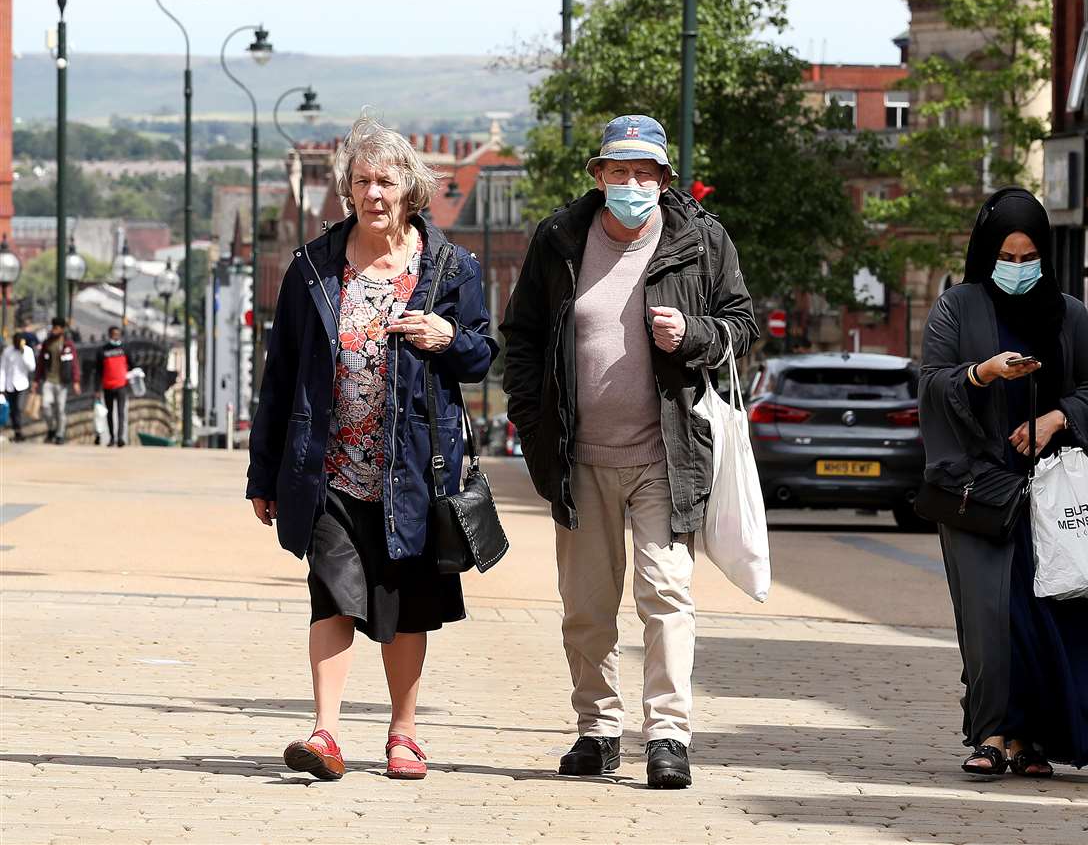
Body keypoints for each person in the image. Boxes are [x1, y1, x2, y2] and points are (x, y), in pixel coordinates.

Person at [501, 114, 756, 789]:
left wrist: (695, 333)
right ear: (598, 176)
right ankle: (598, 729)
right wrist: (532, 429)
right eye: (620, 172)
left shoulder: (701, 239)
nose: (632, 184)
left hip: (665, 454)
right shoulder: (559, 239)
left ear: (664, 179)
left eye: (645, 173)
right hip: (578, 455)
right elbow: (521, 338)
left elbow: (742, 327)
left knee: (665, 594)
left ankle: (668, 734)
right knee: (585, 605)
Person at [248, 113, 495, 782]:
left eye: (385, 180)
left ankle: (403, 733)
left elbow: (481, 356)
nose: (373, 193)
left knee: (404, 602)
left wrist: (447, 337)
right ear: (347, 189)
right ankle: (325, 733)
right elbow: (281, 376)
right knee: (331, 592)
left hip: (414, 471)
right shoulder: (312, 269)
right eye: (362, 180)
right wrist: (263, 474)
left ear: (410, 189)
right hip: (326, 467)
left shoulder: (451, 268)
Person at [918, 187, 1088, 778]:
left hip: (1048, 492)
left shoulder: (1068, 313)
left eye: (1028, 256)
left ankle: (1029, 738)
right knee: (988, 616)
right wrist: (980, 374)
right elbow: (932, 382)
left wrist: (1056, 416)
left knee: (1045, 615)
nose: (1017, 268)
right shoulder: (956, 308)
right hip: (977, 490)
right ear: (986, 252)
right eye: (1007, 256)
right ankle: (990, 732)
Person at [36, 317, 80, 444]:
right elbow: (40, 363)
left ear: (62, 329)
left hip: (62, 381)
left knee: (60, 409)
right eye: (53, 327)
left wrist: (76, 381)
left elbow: (74, 363)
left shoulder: (68, 344)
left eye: (56, 328)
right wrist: (36, 380)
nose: (54, 330)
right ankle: (51, 429)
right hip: (48, 380)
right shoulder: (47, 343)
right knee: (46, 406)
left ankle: (60, 434)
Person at [98, 326, 135, 448]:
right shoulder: (103, 350)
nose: (116, 336)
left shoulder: (125, 348)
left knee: (121, 412)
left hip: (121, 385)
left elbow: (132, 364)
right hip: (107, 385)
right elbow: (98, 370)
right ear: (109, 335)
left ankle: (120, 437)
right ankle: (112, 438)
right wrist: (97, 389)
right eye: (113, 334)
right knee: (109, 413)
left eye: (117, 334)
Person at [1, 332, 36, 442]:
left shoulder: (28, 351)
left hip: (22, 384)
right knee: (12, 408)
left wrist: (23, 353)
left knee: (19, 407)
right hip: (9, 384)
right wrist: (1, 387)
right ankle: (17, 431)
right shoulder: (7, 352)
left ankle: (19, 430)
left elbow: (31, 367)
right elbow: (2, 369)